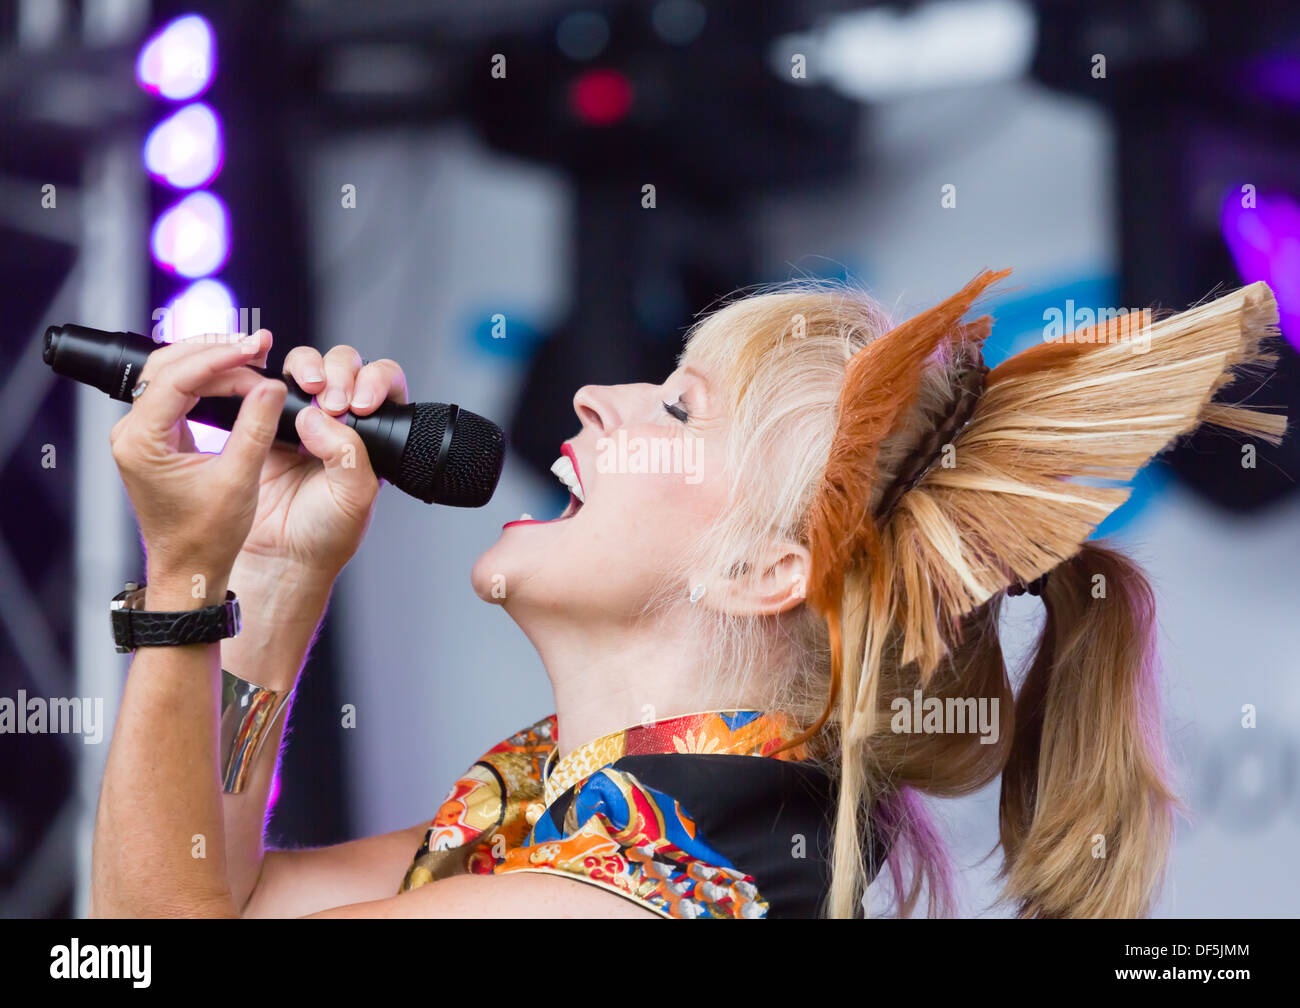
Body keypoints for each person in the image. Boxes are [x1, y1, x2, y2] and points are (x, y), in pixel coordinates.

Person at [91, 268, 1286, 918]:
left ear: (765, 570)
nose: (594, 396)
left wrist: (185, 579)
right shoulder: (595, 820)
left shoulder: (655, 892)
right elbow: (217, 894)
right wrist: (275, 568)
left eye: (676, 408)